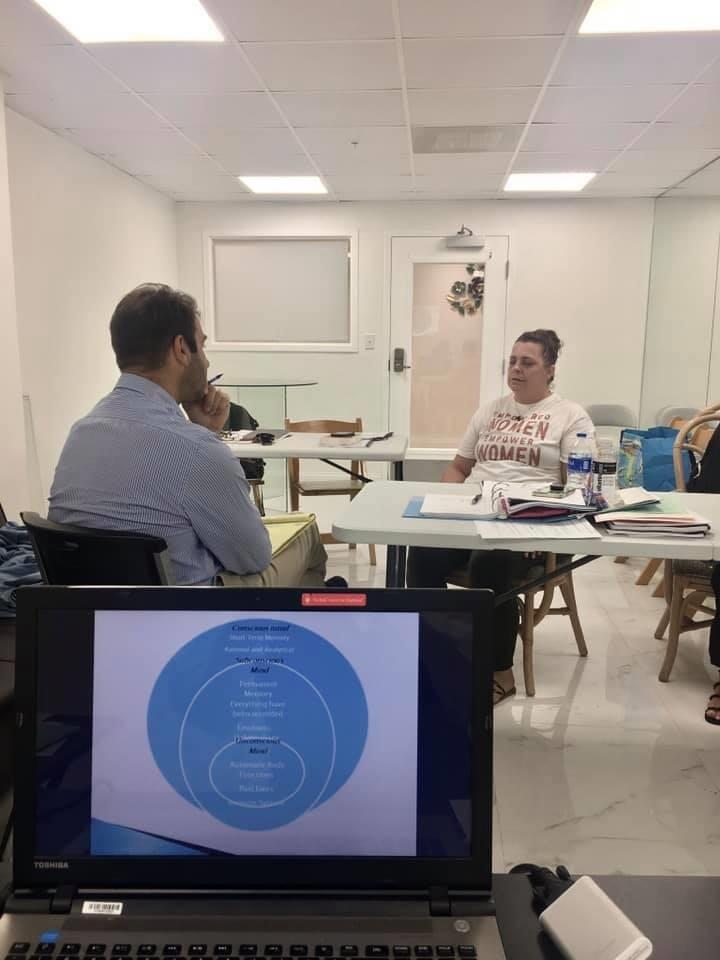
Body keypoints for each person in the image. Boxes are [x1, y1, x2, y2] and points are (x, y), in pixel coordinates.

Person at [48, 283, 329, 588]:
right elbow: (252, 558)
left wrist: (202, 431)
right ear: (181, 349)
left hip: (92, 607)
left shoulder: (81, 433)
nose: (206, 361)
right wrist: (207, 439)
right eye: (203, 346)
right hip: (185, 609)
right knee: (307, 538)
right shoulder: (198, 451)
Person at [406, 329, 594, 706]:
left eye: (527, 363)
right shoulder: (490, 410)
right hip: (475, 511)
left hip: (529, 521)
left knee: (490, 563)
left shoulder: (570, 416)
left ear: (550, 370)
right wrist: (444, 505)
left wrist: (537, 527)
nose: (516, 369)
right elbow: (458, 467)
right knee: (422, 553)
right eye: (512, 361)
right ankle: (438, 650)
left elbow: (578, 487)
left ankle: (499, 673)